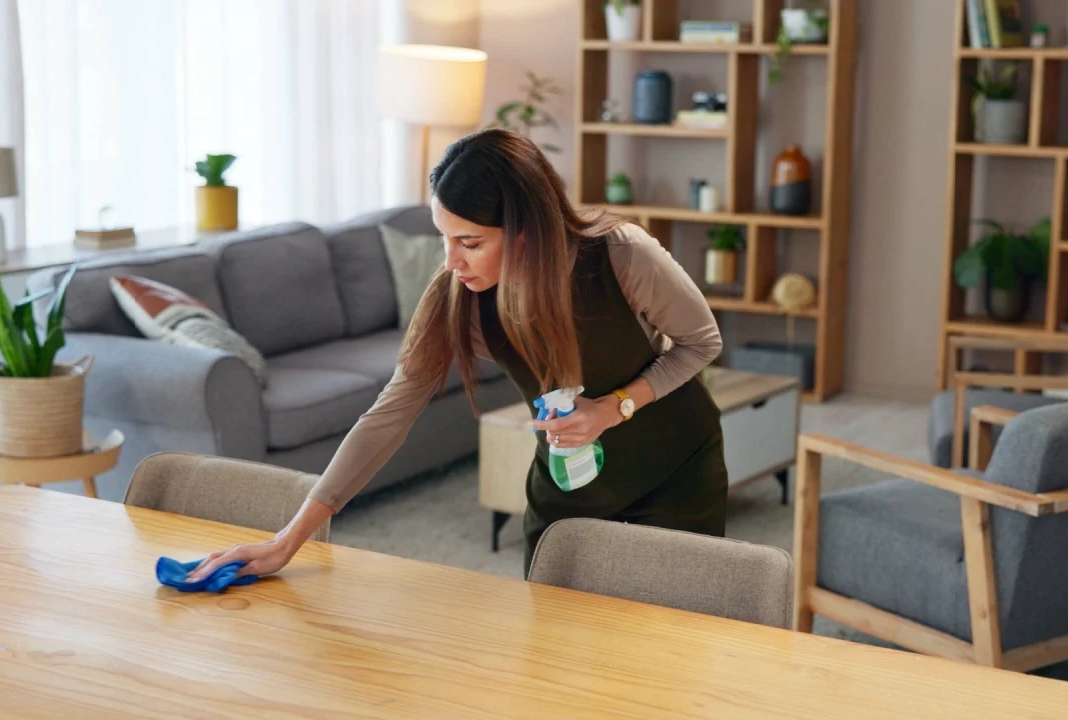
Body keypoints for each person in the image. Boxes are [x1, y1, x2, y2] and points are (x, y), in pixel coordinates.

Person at [188, 129, 727, 580]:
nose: (451, 262)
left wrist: (613, 408)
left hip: (673, 469)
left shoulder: (620, 254)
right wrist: (287, 540)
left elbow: (702, 341)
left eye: (470, 243)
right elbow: (389, 415)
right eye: (444, 238)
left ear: (525, 233)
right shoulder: (458, 298)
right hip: (572, 487)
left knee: (670, 662)